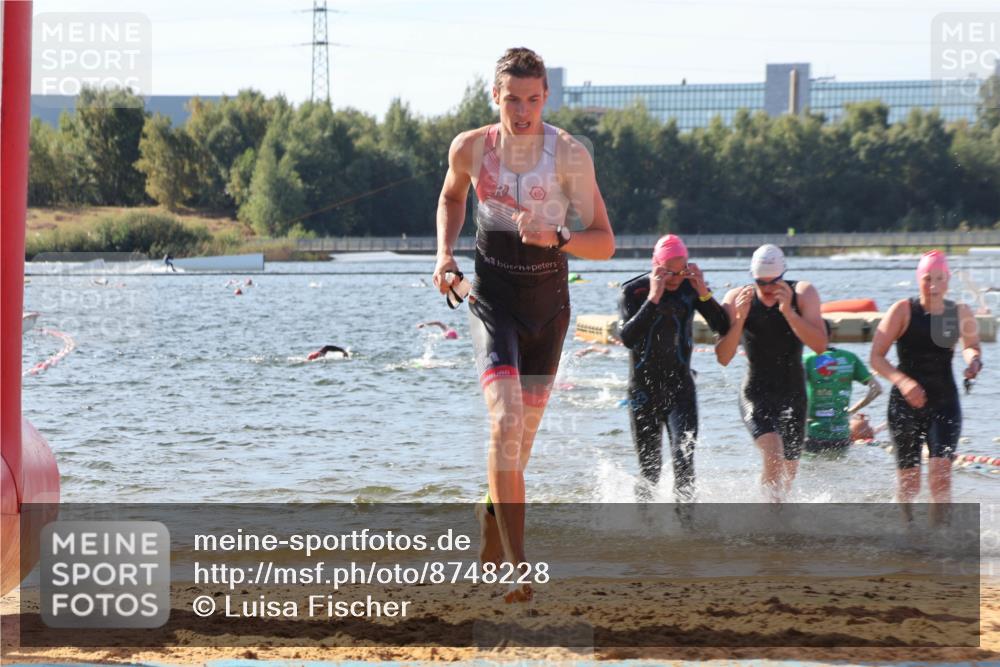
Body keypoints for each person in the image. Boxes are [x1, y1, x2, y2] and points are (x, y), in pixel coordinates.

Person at [432, 47, 614, 602]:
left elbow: (604, 242)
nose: (523, 111)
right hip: (493, 302)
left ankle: (490, 525)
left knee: (518, 448)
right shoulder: (470, 148)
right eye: (512, 99)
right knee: (505, 424)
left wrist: (558, 236)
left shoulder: (569, 155)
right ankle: (518, 568)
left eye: (533, 100)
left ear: (546, 98)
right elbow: (450, 196)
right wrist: (445, 254)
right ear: (495, 96)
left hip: (548, 310)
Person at [870, 250, 982, 524]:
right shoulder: (903, 310)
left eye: (940, 279)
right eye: (927, 279)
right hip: (904, 405)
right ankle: (906, 529)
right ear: (918, 279)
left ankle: (939, 536)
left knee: (941, 476)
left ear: (948, 280)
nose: (933, 285)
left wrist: (973, 362)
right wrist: (904, 382)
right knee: (910, 482)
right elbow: (876, 357)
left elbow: (971, 346)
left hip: (944, 401)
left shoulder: (960, 312)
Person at [619, 234, 729, 501]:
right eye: (669, 272)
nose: (675, 279)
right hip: (643, 392)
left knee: (684, 463)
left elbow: (722, 326)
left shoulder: (690, 288)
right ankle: (643, 522)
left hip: (680, 389)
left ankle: (686, 524)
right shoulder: (634, 291)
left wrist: (704, 292)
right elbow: (627, 338)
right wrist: (653, 298)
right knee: (650, 470)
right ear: (656, 265)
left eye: (681, 271)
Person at [716, 244, 827, 501]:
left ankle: (774, 516)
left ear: (783, 276)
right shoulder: (737, 298)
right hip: (755, 393)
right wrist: (740, 319)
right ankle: (767, 517)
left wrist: (788, 312)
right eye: (760, 282)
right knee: (773, 451)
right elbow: (723, 357)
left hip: (793, 393)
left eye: (773, 282)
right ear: (752, 277)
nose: (767, 289)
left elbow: (820, 346)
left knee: (787, 475)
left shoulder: (803, 294)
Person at [803, 320, 882, 455]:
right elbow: (877, 389)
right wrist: (851, 411)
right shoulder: (850, 358)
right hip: (841, 435)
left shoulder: (807, 360)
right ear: (831, 335)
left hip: (812, 434)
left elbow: (793, 395)